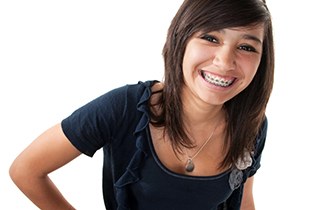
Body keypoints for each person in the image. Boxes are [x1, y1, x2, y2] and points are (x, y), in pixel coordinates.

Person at [9, 0, 274, 209]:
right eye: (211, 38)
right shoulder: (124, 107)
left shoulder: (253, 124)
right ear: (180, 39)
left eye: (247, 48)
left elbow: (243, 202)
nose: (225, 61)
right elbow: (26, 170)